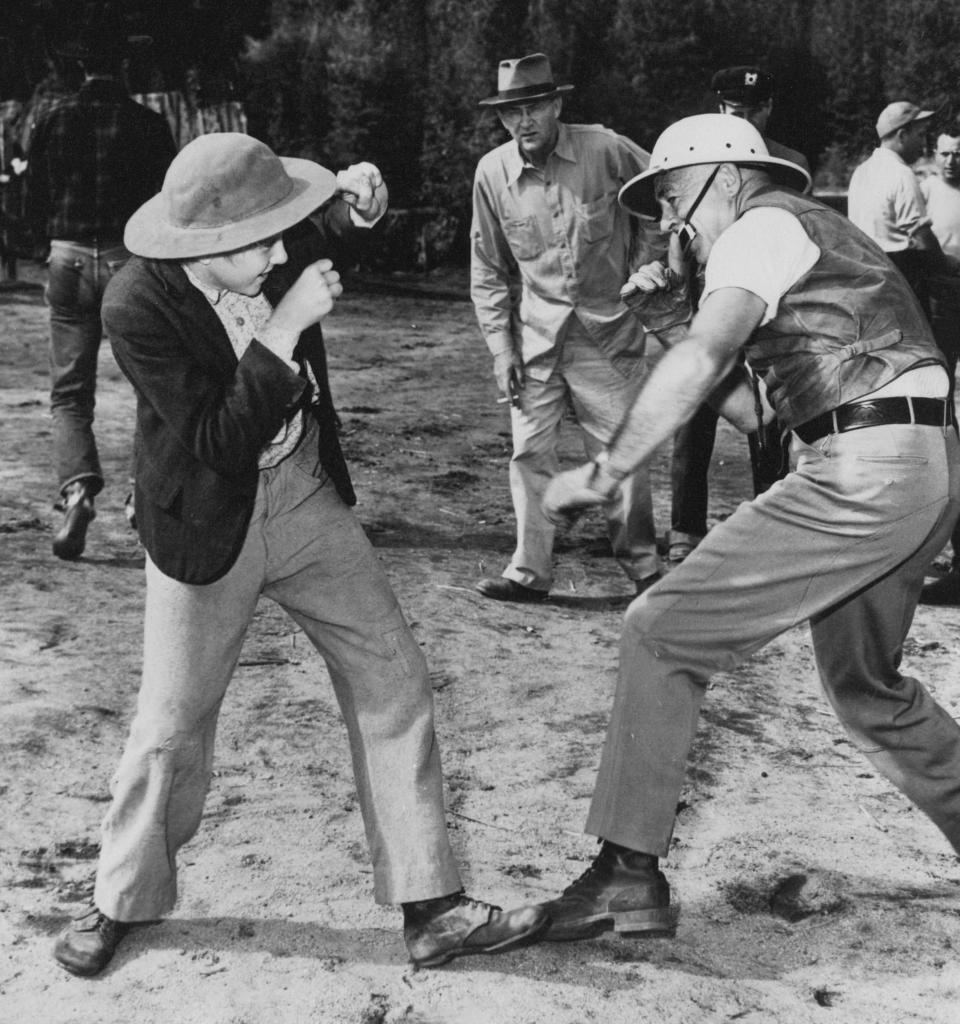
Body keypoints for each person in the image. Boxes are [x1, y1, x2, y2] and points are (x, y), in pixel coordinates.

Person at [51, 133, 547, 977]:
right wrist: (283, 328)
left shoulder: (264, 250)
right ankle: (119, 899)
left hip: (305, 495)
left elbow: (327, 228)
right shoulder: (135, 304)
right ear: (205, 244)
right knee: (171, 728)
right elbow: (215, 440)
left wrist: (361, 205)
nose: (284, 253)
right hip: (209, 519)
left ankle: (432, 906)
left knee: (394, 679)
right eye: (264, 243)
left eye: (283, 234)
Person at [530, 114, 960, 943]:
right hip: (923, 463)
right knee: (870, 691)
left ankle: (627, 876)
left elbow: (700, 365)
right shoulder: (816, 235)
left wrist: (607, 469)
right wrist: (668, 321)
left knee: (659, 631)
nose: (670, 224)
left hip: (867, 466)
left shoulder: (758, 224)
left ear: (724, 177)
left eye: (674, 198)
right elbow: (761, 414)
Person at [470, 53, 661, 603]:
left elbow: (663, 198)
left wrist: (646, 267)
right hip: (536, 338)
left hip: (609, 332)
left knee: (623, 453)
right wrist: (500, 348)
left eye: (533, 107)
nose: (522, 122)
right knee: (528, 452)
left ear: (556, 104)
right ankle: (529, 574)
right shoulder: (492, 174)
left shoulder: (605, 148)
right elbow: (486, 266)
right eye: (510, 113)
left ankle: (645, 573)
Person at [24, 28, 177, 560]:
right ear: (124, 69)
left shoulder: (53, 120)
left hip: (66, 258)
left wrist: (43, 243)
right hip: (128, 262)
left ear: (78, 67)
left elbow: (31, 198)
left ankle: (78, 493)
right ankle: (144, 500)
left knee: (69, 393)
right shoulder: (150, 125)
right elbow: (168, 205)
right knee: (152, 389)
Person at [669, 66, 810, 566]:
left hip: (766, 307)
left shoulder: (789, 163)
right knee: (694, 414)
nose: (744, 116)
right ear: (720, 109)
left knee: (767, 419)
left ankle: (768, 522)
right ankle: (685, 527)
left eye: (754, 108)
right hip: (709, 298)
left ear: (769, 108)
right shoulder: (699, 152)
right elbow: (677, 231)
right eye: (734, 109)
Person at [847, 101, 959, 313]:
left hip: (865, 278)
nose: (923, 143)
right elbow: (921, 237)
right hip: (900, 277)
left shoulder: (861, 171)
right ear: (902, 135)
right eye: (920, 134)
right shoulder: (901, 174)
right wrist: (947, 264)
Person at [919, 130, 960, 605]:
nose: (951, 162)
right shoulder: (925, 189)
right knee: (941, 416)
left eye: (959, 155)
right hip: (940, 305)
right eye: (945, 154)